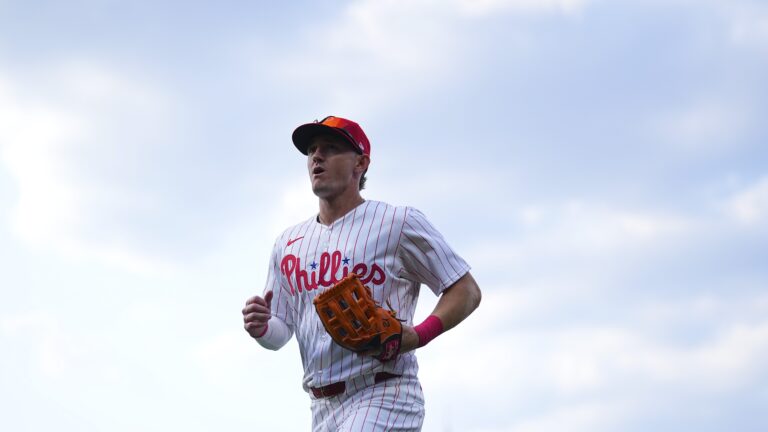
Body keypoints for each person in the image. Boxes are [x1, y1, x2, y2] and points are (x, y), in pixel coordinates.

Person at [242, 115, 481, 432]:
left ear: (360, 163)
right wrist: (261, 328)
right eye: (312, 149)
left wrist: (419, 335)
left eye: (330, 148)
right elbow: (281, 333)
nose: (317, 156)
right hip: (322, 407)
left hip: (384, 391)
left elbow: (466, 290)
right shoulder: (288, 244)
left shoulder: (397, 223)